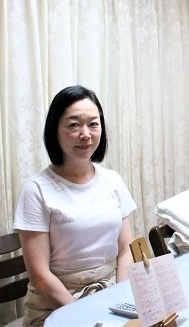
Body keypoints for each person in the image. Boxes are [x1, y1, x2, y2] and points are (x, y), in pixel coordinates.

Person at [13, 85, 136, 326]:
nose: (85, 134)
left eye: (93, 124)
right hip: (55, 306)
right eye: (73, 125)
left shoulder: (112, 180)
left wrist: (120, 299)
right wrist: (84, 315)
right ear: (55, 130)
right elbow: (39, 275)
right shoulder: (36, 189)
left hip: (109, 296)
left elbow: (125, 250)